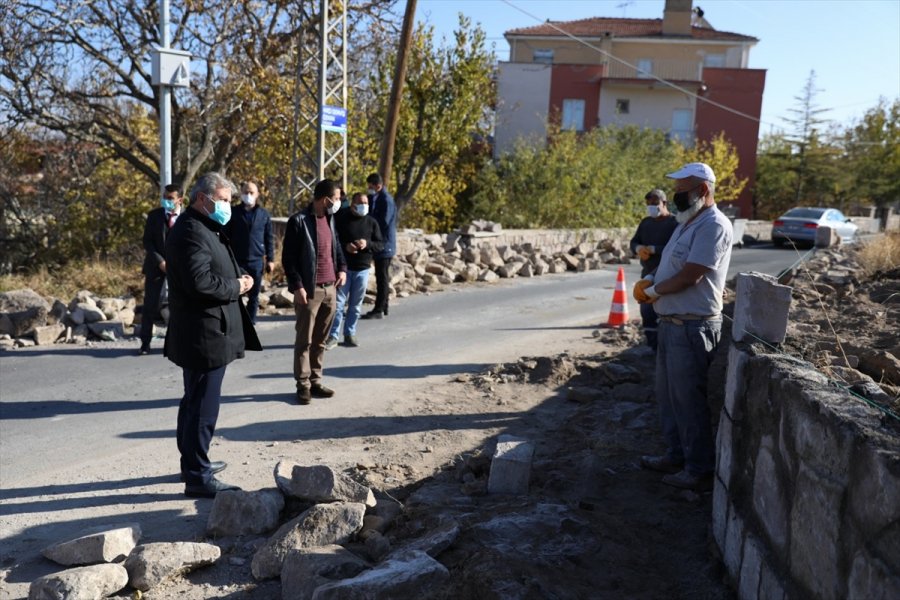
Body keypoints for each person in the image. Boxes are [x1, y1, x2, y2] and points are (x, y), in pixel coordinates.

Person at [634, 162, 733, 492]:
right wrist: (650, 278)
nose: (676, 198)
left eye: (682, 192)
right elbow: (667, 266)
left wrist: (654, 291)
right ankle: (676, 455)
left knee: (688, 401)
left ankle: (697, 468)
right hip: (671, 325)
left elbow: (692, 274)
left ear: (703, 191)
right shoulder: (686, 222)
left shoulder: (713, 226)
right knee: (669, 397)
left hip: (693, 327)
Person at [164, 172, 261, 498]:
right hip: (203, 334)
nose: (228, 205)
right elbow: (201, 283)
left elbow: (215, 268)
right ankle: (198, 476)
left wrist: (239, 276)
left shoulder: (204, 227)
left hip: (207, 331)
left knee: (195, 401)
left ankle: (194, 463)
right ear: (203, 199)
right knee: (203, 407)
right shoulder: (192, 231)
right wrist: (237, 286)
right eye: (223, 199)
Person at [282, 178, 347, 405]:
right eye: (337, 198)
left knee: (321, 339)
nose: (339, 202)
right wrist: (297, 286)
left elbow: (336, 247)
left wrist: (342, 269)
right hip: (309, 291)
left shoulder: (330, 219)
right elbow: (288, 259)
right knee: (304, 340)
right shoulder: (299, 221)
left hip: (331, 288)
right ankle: (303, 385)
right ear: (326, 199)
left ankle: (316, 380)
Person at [325, 192, 384, 349]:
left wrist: (367, 244)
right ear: (352, 204)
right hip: (344, 269)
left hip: (363, 269)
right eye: (361, 202)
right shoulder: (341, 218)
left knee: (355, 305)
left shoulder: (371, 222)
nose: (364, 205)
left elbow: (380, 244)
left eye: (366, 203)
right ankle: (333, 335)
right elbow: (332, 239)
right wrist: (346, 246)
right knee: (338, 304)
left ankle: (350, 333)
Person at [629, 189, 677, 350]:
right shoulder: (646, 223)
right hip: (647, 276)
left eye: (655, 204)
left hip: (668, 277)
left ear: (664, 203)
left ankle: (665, 347)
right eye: (649, 204)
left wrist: (656, 249)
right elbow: (633, 242)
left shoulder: (675, 224)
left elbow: (678, 250)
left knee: (665, 316)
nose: (651, 207)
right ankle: (652, 347)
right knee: (647, 312)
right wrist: (638, 248)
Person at [138, 184, 182, 355]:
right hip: (156, 267)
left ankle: (175, 342)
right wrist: (160, 261)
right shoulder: (154, 216)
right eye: (165, 197)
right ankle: (145, 343)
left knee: (177, 305)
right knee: (151, 304)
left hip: (178, 268)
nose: (167, 201)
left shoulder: (186, 218)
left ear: (180, 200)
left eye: (170, 198)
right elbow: (147, 241)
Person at [224, 180, 275, 324]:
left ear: (257, 194)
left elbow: (268, 238)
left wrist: (270, 259)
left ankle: (251, 322)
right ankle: (236, 322)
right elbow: (225, 236)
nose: (248, 195)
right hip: (237, 260)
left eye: (251, 192)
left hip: (257, 261)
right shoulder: (233, 212)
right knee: (236, 293)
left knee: (254, 296)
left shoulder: (263, 214)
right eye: (246, 192)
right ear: (241, 194)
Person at [360, 173, 396, 319]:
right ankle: (384, 306)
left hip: (384, 244)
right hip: (382, 243)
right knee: (382, 276)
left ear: (378, 185)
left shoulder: (385, 200)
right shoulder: (377, 198)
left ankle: (379, 308)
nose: (369, 189)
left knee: (382, 278)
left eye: (370, 187)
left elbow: (383, 222)